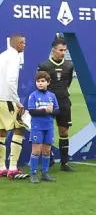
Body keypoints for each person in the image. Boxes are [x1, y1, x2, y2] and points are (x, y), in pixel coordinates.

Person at [37, 37, 76, 171]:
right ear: (53, 49)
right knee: (46, 130)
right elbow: (40, 84)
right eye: (60, 50)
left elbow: (68, 82)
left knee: (64, 131)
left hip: (64, 101)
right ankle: (49, 158)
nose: (63, 52)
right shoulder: (44, 65)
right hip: (48, 102)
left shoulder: (69, 65)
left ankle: (65, 163)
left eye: (65, 50)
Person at [0, 34, 27, 179]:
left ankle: (1, 167)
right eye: (22, 43)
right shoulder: (14, 57)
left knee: (1, 132)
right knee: (19, 129)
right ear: (16, 44)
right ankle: (12, 167)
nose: (24, 45)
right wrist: (17, 101)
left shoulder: (2, 55)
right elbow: (11, 81)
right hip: (8, 99)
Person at [26, 70, 58, 183]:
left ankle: (45, 173)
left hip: (49, 127)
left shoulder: (52, 96)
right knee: (36, 151)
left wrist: (51, 111)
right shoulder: (33, 95)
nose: (40, 83)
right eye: (38, 81)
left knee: (47, 151)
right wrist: (45, 110)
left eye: (43, 81)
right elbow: (32, 111)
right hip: (37, 127)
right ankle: (33, 173)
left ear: (48, 82)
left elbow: (57, 111)